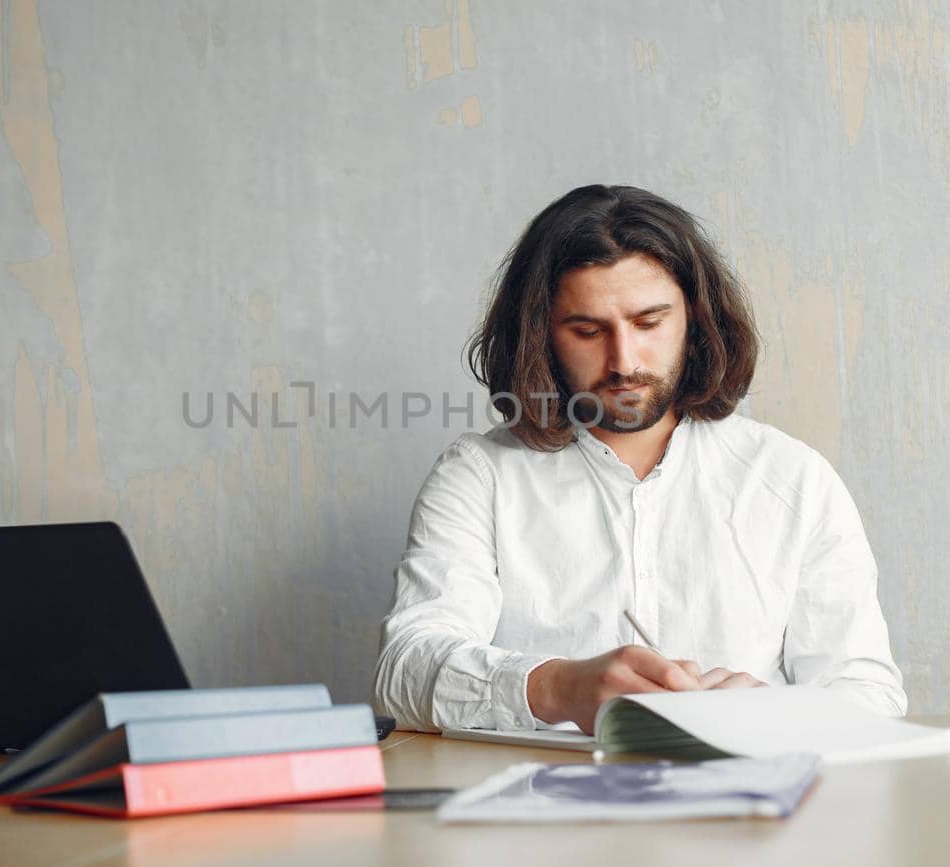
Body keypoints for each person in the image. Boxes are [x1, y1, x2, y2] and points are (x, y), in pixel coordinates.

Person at [372, 184, 906, 734]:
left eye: (649, 323)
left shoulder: (792, 478)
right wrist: (560, 687)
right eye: (587, 331)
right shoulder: (479, 474)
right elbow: (404, 670)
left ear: (694, 320)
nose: (624, 361)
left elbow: (870, 690)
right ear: (541, 336)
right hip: (538, 809)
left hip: (745, 807)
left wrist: (771, 711)